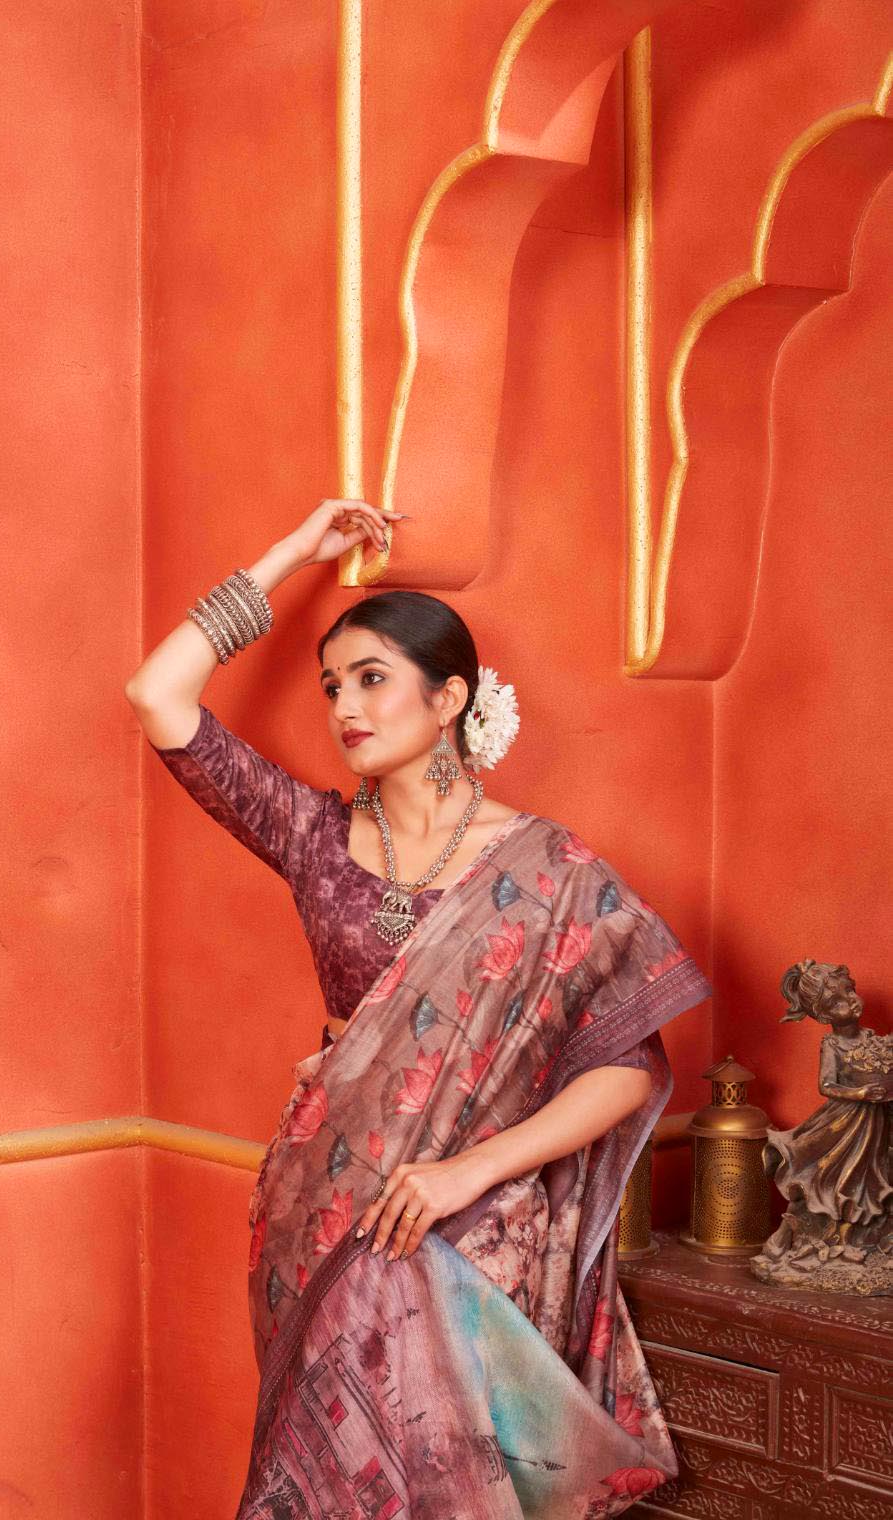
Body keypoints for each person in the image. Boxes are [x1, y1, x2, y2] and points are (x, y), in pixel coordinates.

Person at [125, 499, 713, 1519]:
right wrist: (291, 552)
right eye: (331, 686)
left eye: (371, 678)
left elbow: (625, 1067)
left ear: (447, 700)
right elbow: (155, 691)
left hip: (472, 1229)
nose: (344, 706)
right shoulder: (311, 835)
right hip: (326, 1213)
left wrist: (463, 1170)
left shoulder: (546, 866)